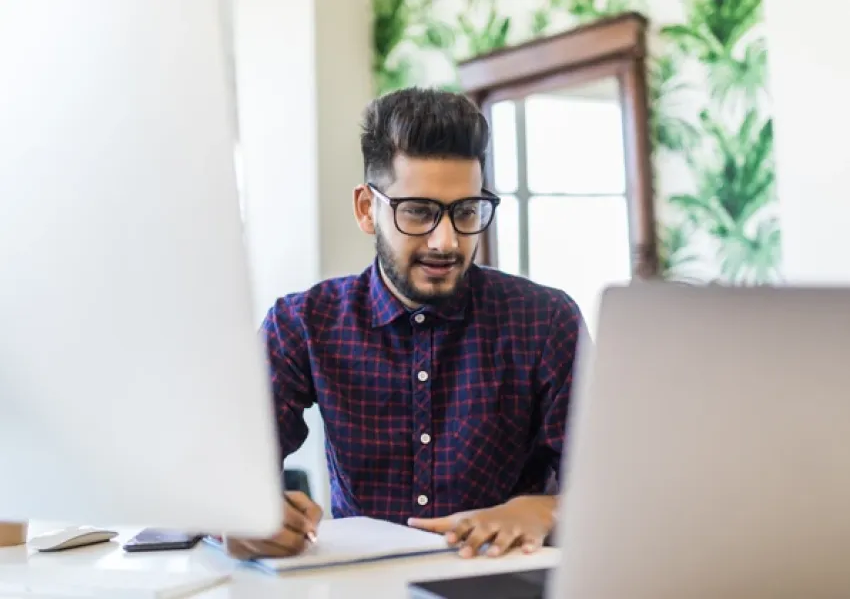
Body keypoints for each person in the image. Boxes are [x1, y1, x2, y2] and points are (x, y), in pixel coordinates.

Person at [226, 87, 586, 560]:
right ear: (365, 209)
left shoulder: (546, 321)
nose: (446, 241)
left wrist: (543, 511)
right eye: (418, 211)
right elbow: (222, 474)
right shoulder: (303, 324)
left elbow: (615, 489)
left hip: (504, 581)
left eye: (466, 211)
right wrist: (236, 518)